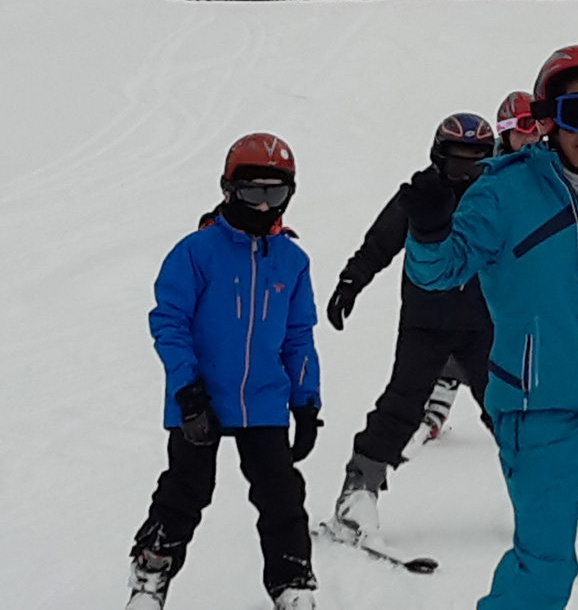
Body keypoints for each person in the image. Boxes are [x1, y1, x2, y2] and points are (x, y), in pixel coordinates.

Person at [400, 45, 578, 610]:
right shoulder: (504, 189)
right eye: (577, 113)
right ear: (548, 116)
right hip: (535, 411)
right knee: (544, 570)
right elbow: (440, 272)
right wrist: (429, 233)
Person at [126, 133, 322, 610]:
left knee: (281, 496)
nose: (263, 204)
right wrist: (187, 391)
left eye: (275, 192)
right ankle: (151, 572)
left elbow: (298, 337)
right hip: (201, 396)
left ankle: (292, 582)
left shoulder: (292, 261)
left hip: (264, 399)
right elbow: (169, 322)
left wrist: (306, 401)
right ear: (229, 189)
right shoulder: (196, 252)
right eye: (252, 191)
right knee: (186, 489)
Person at [324, 113, 497, 546]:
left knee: (507, 407)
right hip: (426, 323)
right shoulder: (423, 193)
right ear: (438, 156)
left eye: (476, 162)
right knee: (402, 403)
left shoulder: (498, 197)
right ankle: (358, 493)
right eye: (457, 161)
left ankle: (548, 486)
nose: (466, 172)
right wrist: (351, 281)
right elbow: (380, 241)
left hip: (483, 325)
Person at [495, 90, 546, 155]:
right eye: (524, 125)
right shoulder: (491, 161)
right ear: (506, 135)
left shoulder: (554, 158)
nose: (531, 135)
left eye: (538, 126)